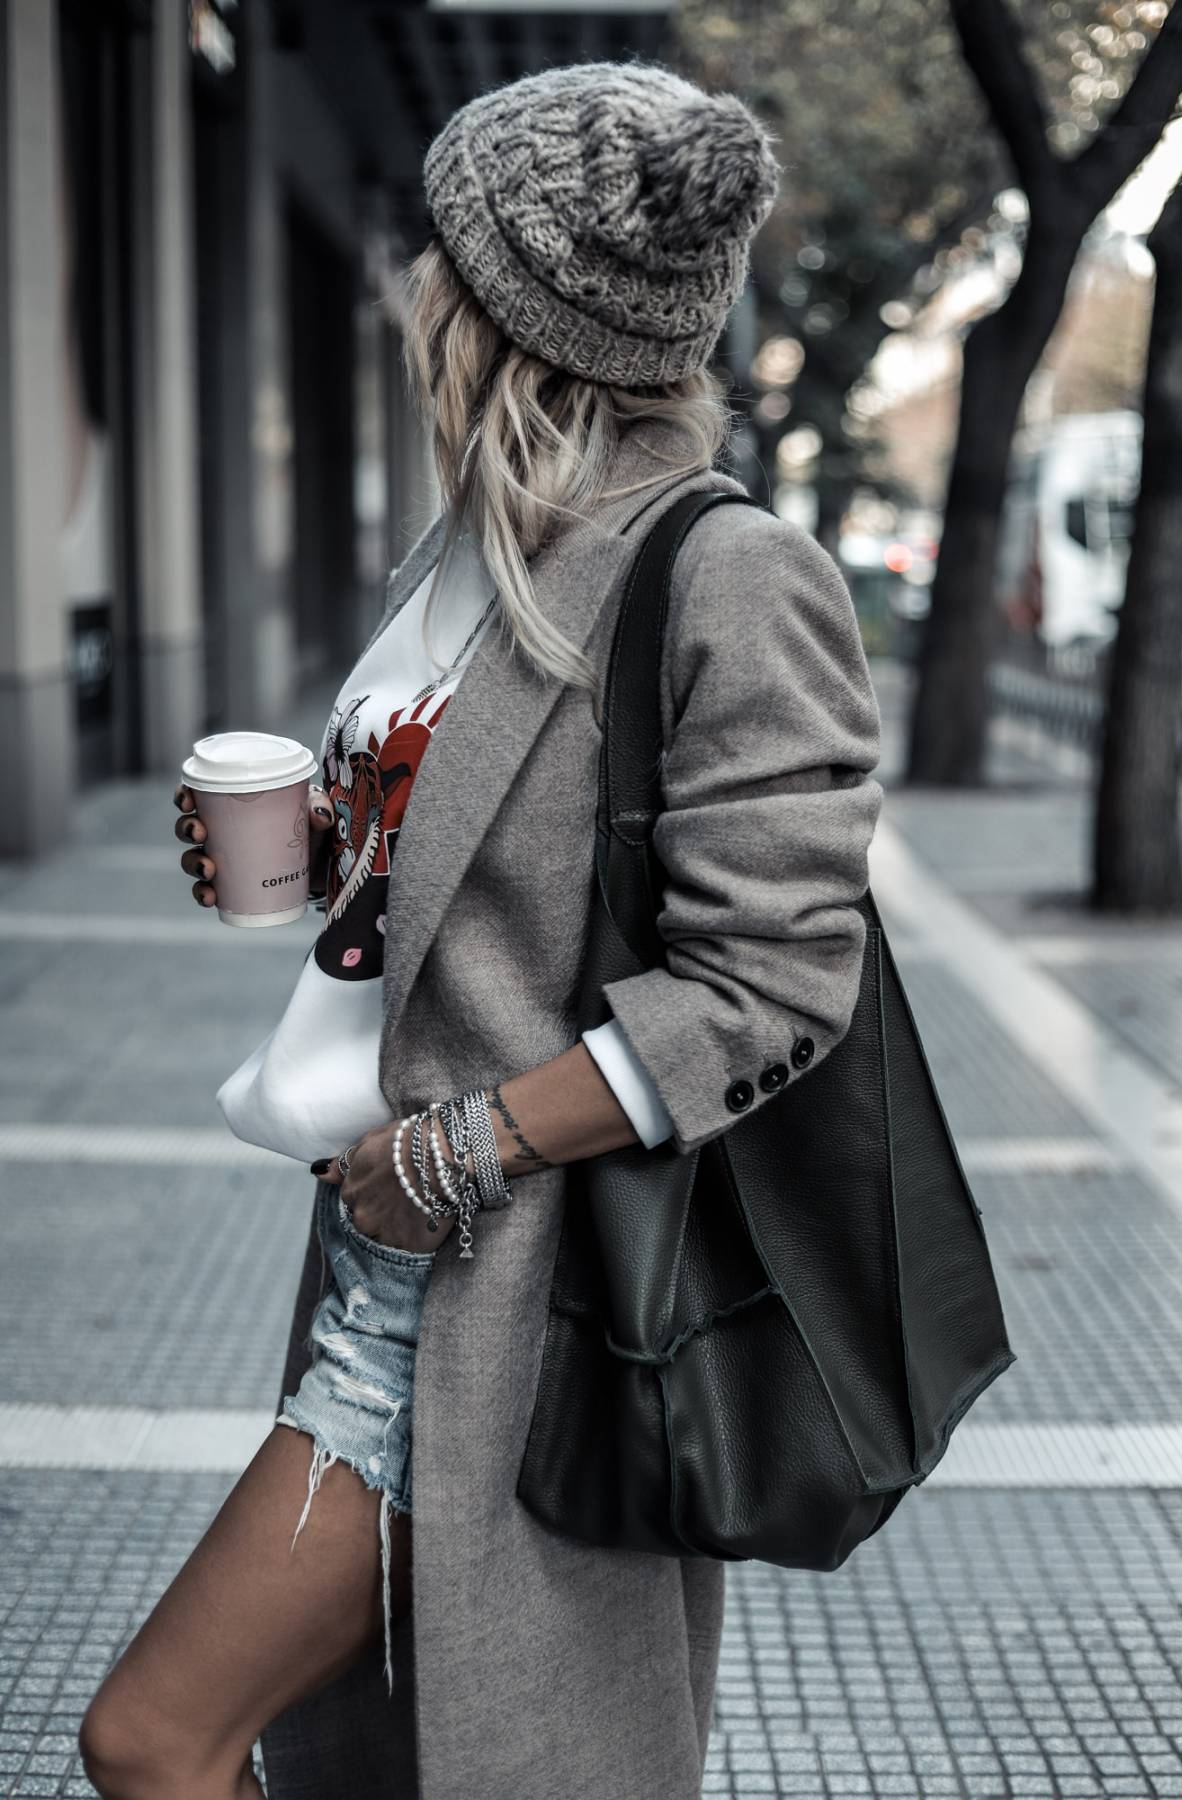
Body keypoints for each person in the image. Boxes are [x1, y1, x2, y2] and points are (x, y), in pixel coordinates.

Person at [78, 59, 884, 1800]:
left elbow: (776, 981)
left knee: (155, 1743)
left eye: (436, 247)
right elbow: (486, 856)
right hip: (386, 1257)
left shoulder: (723, 571)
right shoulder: (482, 540)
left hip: (511, 1284)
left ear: (497, 297)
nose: (408, 279)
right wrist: (330, 845)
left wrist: (457, 1153)